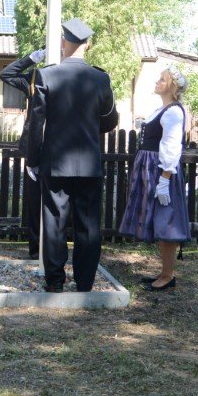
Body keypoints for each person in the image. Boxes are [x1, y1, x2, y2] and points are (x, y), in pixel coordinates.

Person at [25, 18, 118, 292]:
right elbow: (110, 120)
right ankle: (85, 282)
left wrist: (32, 160)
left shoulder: (46, 75)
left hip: (54, 163)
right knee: (88, 224)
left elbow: (36, 124)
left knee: (54, 222)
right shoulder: (101, 78)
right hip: (89, 163)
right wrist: (90, 127)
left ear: (64, 43)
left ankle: (54, 282)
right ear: (87, 44)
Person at [118, 65, 191, 290]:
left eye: (162, 79)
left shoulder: (174, 112)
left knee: (166, 221)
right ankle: (164, 272)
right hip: (150, 169)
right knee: (159, 220)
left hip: (160, 171)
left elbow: (171, 146)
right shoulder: (162, 110)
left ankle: (168, 275)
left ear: (172, 86)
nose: (157, 82)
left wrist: (164, 179)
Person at [0, 47, 46, 258]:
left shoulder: (69, 76)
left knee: (59, 202)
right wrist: (32, 58)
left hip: (62, 146)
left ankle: (54, 251)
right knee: (34, 200)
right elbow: (6, 74)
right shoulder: (34, 79)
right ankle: (36, 251)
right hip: (35, 147)